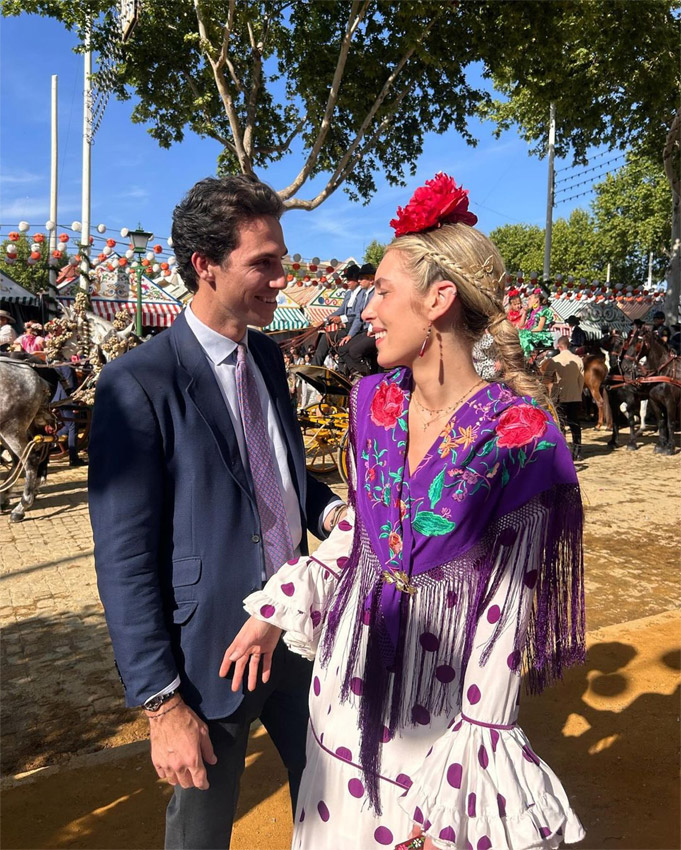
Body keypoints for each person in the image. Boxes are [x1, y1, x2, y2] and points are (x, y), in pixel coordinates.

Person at [222, 173, 586, 850]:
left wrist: (463, 779)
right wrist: (271, 614)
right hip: (338, 699)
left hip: (437, 724)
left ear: (438, 298)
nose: (367, 312)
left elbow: (507, 609)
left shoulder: (521, 435)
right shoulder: (375, 404)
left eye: (382, 292)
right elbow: (362, 535)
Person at [88, 174, 344, 850]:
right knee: (201, 834)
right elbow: (124, 558)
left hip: (296, 625)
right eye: (263, 261)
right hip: (210, 655)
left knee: (338, 796)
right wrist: (161, 703)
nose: (280, 278)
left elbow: (281, 477)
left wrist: (333, 514)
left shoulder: (264, 355)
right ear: (205, 265)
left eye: (281, 259)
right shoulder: (137, 383)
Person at [543, 336, 585, 460]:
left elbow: (546, 379)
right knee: (575, 423)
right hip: (574, 395)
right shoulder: (578, 359)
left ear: (559, 346)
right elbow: (581, 379)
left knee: (560, 424)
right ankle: (578, 451)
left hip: (559, 396)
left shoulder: (554, 360)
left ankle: (563, 451)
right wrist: (578, 392)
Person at [312, 264, 362, 366]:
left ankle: (316, 365)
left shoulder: (363, 293)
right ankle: (316, 365)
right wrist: (325, 320)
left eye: (349, 280)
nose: (347, 282)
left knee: (329, 339)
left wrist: (342, 319)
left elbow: (359, 315)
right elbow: (340, 310)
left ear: (357, 280)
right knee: (326, 338)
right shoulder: (348, 294)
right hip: (346, 327)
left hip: (358, 329)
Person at [338, 263, 378, 376]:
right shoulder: (365, 295)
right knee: (342, 349)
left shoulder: (377, 294)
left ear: (371, 280)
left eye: (361, 278)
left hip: (374, 331)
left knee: (355, 351)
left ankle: (366, 377)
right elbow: (358, 318)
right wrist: (350, 335)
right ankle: (355, 372)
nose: (359, 280)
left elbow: (378, 312)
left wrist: (372, 328)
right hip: (364, 331)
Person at [518, 289, 554, 356]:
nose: (528, 301)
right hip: (530, 333)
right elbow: (521, 325)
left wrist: (527, 331)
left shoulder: (543, 311)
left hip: (539, 335)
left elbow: (540, 328)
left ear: (536, 300)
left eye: (530, 299)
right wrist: (524, 313)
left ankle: (527, 357)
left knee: (523, 338)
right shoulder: (531, 311)